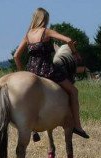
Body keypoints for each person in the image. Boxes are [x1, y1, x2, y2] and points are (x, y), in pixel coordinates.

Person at [13, 7, 89, 139]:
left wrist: (22, 72)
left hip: (31, 70)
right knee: (73, 91)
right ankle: (77, 125)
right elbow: (69, 40)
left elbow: (16, 56)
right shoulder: (46, 32)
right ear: (44, 19)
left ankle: (33, 129)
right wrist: (75, 53)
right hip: (47, 70)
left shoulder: (28, 35)